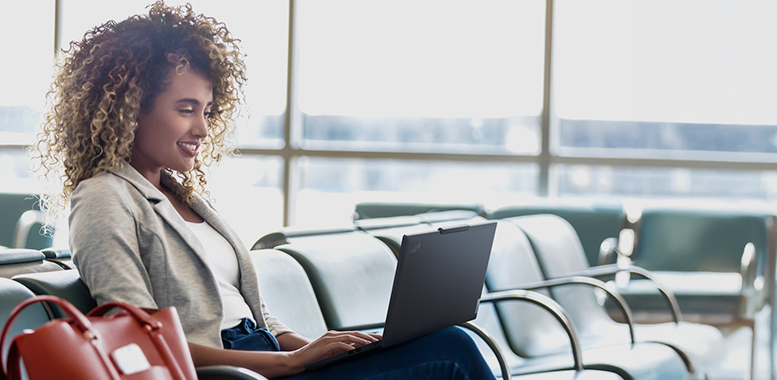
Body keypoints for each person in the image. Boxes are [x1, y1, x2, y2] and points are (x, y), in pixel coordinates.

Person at [34, 2, 494, 379]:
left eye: (208, 111)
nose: (202, 127)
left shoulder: (186, 197)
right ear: (130, 110)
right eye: (186, 109)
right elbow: (142, 340)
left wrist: (316, 347)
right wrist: (287, 362)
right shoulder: (103, 198)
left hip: (268, 360)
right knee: (452, 351)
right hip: (234, 374)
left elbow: (252, 313)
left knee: (443, 342)